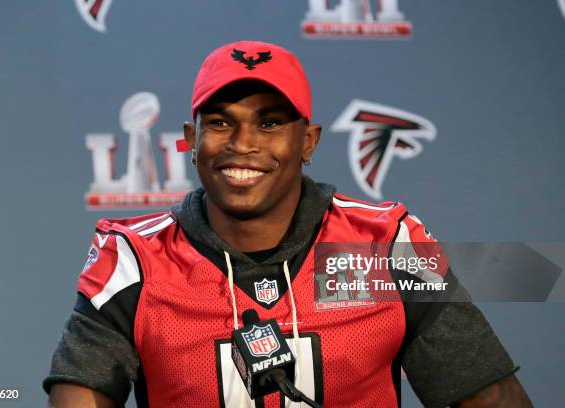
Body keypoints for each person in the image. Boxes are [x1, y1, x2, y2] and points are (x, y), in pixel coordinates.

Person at [44, 40, 532, 407]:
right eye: (219, 122)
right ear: (192, 140)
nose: (243, 142)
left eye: (271, 123)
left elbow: (489, 395)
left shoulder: (382, 246)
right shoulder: (136, 259)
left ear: (309, 142)